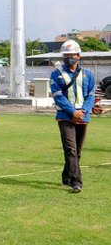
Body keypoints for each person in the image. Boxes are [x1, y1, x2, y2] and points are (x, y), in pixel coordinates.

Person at [50, 39, 95, 193]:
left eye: (72, 55)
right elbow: (58, 96)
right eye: (66, 55)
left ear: (79, 55)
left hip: (83, 116)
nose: (70, 58)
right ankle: (76, 182)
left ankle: (67, 176)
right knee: (71, 149)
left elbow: (91, 95)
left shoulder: (87, 75)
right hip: (65, 116)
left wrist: (82, 111)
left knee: (78, 151)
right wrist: (72, 111)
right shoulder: (56, 74)